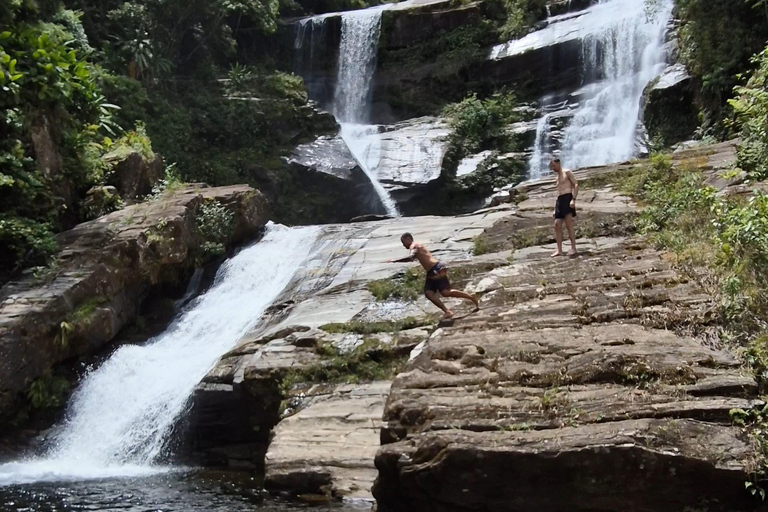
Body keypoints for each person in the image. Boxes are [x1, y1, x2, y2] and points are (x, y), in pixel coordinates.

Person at [388, 233, 479, 319]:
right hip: (434, 270)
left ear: (408, 239)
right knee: (433, 293)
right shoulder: (416, 245)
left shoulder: (414, 245)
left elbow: (411, 257)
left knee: (440, 292)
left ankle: (466, 300)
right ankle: (453, 308)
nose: (403, 245)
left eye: (403, 242)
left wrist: (395, 260)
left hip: (436, 269)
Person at [549, 158, 579, 257]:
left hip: (568, 198)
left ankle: (573, 248)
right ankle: (559, 250)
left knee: (568, 224)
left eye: (554, 166)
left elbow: (576, 184)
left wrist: (573, 199)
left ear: (558, 163)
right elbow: (559, 193)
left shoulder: (567, 172)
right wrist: (555, 208)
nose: (552, 168)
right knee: (557, 224)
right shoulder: (557, 178)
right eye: (551, 167)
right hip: (560, 200)